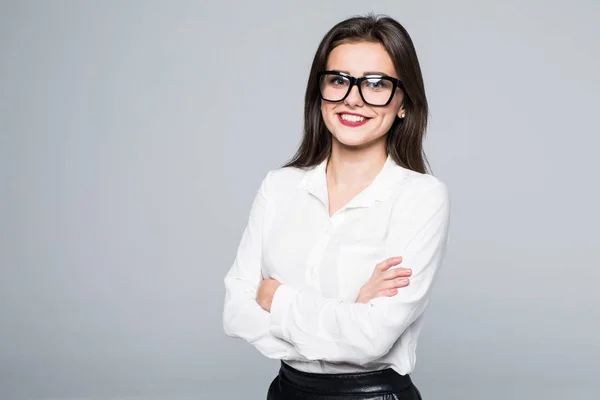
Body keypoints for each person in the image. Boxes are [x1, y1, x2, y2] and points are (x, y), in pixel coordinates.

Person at [223, 13, 450, 400]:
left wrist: (275, 298)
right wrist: (349, 312)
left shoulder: (421, 197)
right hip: (286, 392)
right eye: (338, 80)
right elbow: (236, 313)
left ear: (404, 104)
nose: (353, 99)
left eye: (377, 84)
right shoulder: (279, 187)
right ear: (320, 92)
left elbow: (372, 339)